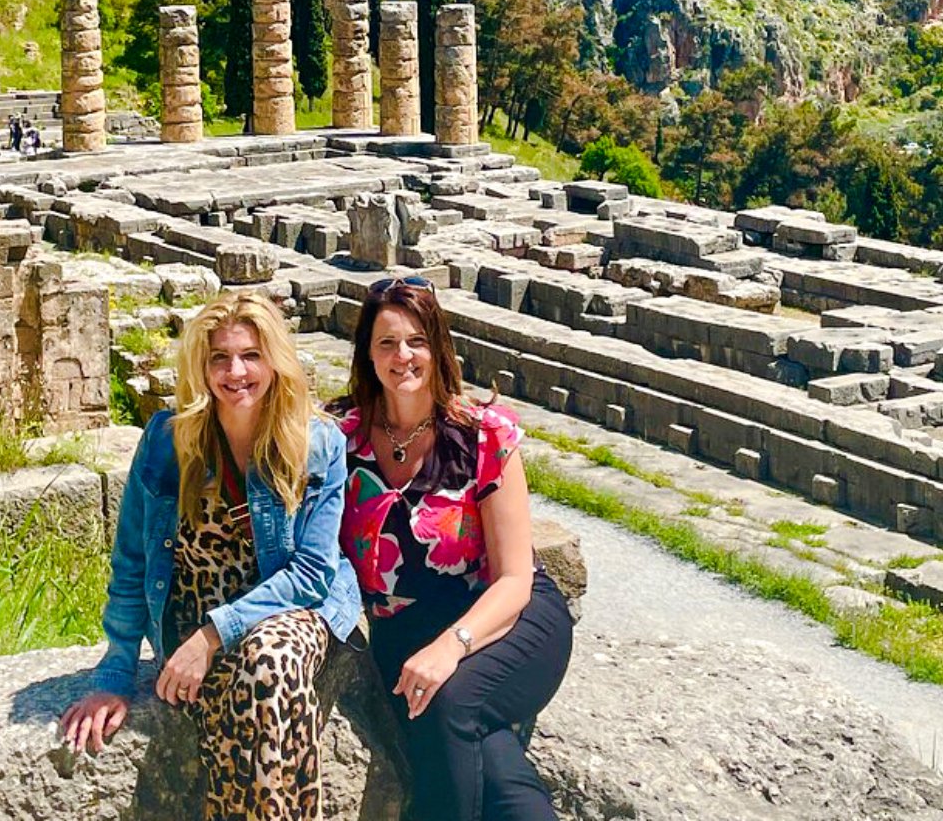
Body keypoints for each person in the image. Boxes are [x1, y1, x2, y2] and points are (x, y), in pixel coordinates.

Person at [61, 291, 360, 820]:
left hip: (288, 615)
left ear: (275, 361)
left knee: (268, 663)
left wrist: (214, 635)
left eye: (250, 355)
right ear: (201, 367)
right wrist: (114, 675)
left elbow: (312, 574)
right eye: (219, 357)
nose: (235, 371)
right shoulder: (165, 441)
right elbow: (131, 561)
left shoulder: (317, 444)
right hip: (191, 620)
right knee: (258, 685)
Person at [333, 275, 573, 821]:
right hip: (406, 634)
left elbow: (515, 579)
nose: (403, 356)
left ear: (438, 347)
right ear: (367, 354)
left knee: (449, 700)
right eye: (387, 343)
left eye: (416, 340)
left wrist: (454, 645)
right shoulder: (340, 439)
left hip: (508, 619)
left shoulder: (485, 434)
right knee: (492, 762)